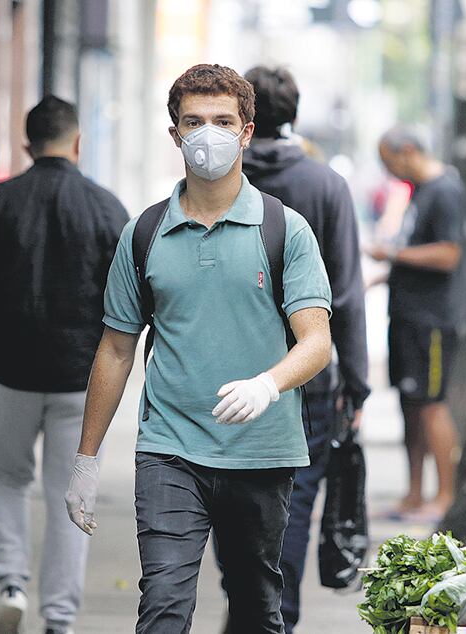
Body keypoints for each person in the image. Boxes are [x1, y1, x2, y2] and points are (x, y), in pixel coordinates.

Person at [64, 64, 333, 633]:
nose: (208, 133)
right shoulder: (144, 233)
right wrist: (86, 458)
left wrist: (268, 384)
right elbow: (115, 349)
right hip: (170, 448)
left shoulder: (285, 230)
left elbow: (316, 342)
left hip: (260, 452)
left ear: (247, 132)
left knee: (256, 608)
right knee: (163, 601)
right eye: (193, 121)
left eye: (222, 121)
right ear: (175, 134)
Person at [0, 95, 128, 634]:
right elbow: (128, 299)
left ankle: (11, 585)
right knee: (70, 495)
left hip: (8, 374)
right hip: (82, 380)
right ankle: (60, 617)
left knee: (6, 477)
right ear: (78, 142)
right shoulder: (105, 208)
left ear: (27, 145)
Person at [236, 65, 370, 633]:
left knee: (227, 502)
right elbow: (347, 292)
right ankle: (274, 618)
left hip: (225, 372)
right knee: (292, 506)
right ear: (293, 112)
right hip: (306, 375)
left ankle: (250, 608)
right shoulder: (325, 185)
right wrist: (355, 382)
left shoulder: (222, 179)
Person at [367, 125, 466, 521]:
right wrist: (384, 275)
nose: (389, 171)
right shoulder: (420, 190)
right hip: (406, 315)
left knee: (431, 406)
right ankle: (413, 494)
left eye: (389, 161)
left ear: (408, 150)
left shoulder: (445, 190)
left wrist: (392, 255)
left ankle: (444, 497)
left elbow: (448, 255)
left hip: (433, 320)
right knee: (409, 405)